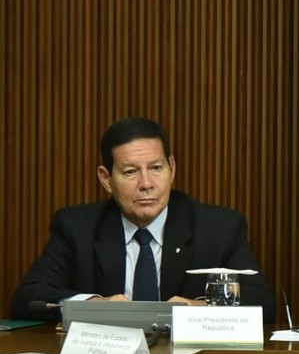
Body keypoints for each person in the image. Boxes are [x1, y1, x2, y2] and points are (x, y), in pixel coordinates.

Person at [10, 117, 276, 321]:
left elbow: (262, 305)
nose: (146, 184)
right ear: (106, 179)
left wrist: (199, 309)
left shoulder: (219, 228)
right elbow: (28, 299)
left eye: (156, 168)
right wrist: (92, 305)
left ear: (172, 169)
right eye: (130, 172)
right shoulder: (77, 228)